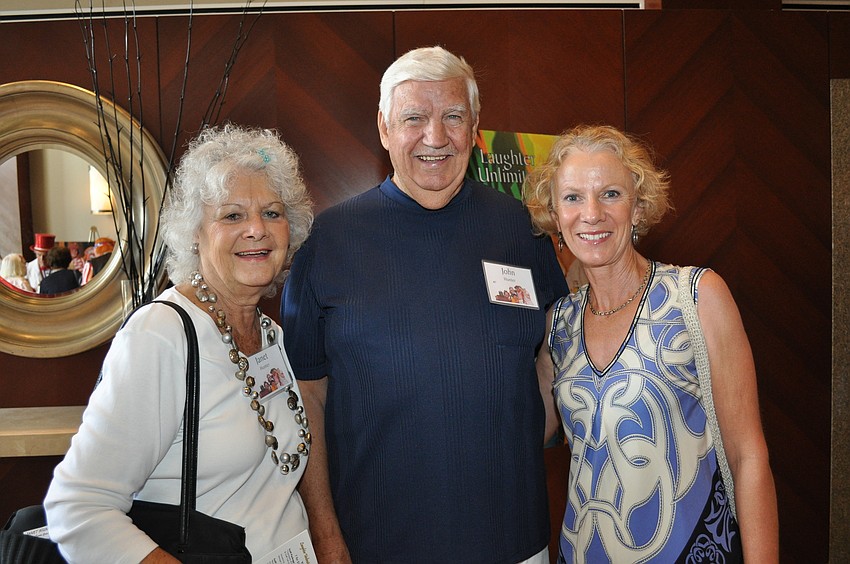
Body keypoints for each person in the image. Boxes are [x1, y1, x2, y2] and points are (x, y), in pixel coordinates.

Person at [281, 46, 569, 563]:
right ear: (384, 128)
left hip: (515, 541)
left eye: (453, 117)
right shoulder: (329, 241)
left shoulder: (520, 229)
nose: (435, 138)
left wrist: (516, 437)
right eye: (414, 118)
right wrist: (324, 532)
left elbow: (555, 350)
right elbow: (307, 398)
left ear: (475, 128)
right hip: (375, 544)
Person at [44, 124, 315, 563]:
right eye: (232, 216)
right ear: (195, 231)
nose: (256, 230)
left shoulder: (270, 335)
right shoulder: (161, 336)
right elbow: (77, 507)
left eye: (272, 213)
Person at [523, 124, 779, 562]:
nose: (591, 213)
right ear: (555, 216)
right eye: (572, 197)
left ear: (638, 208)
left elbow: (748, 457)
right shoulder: (559, 325)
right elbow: (522, 431)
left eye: (610, 194)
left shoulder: (696, 297)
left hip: (693, 551)